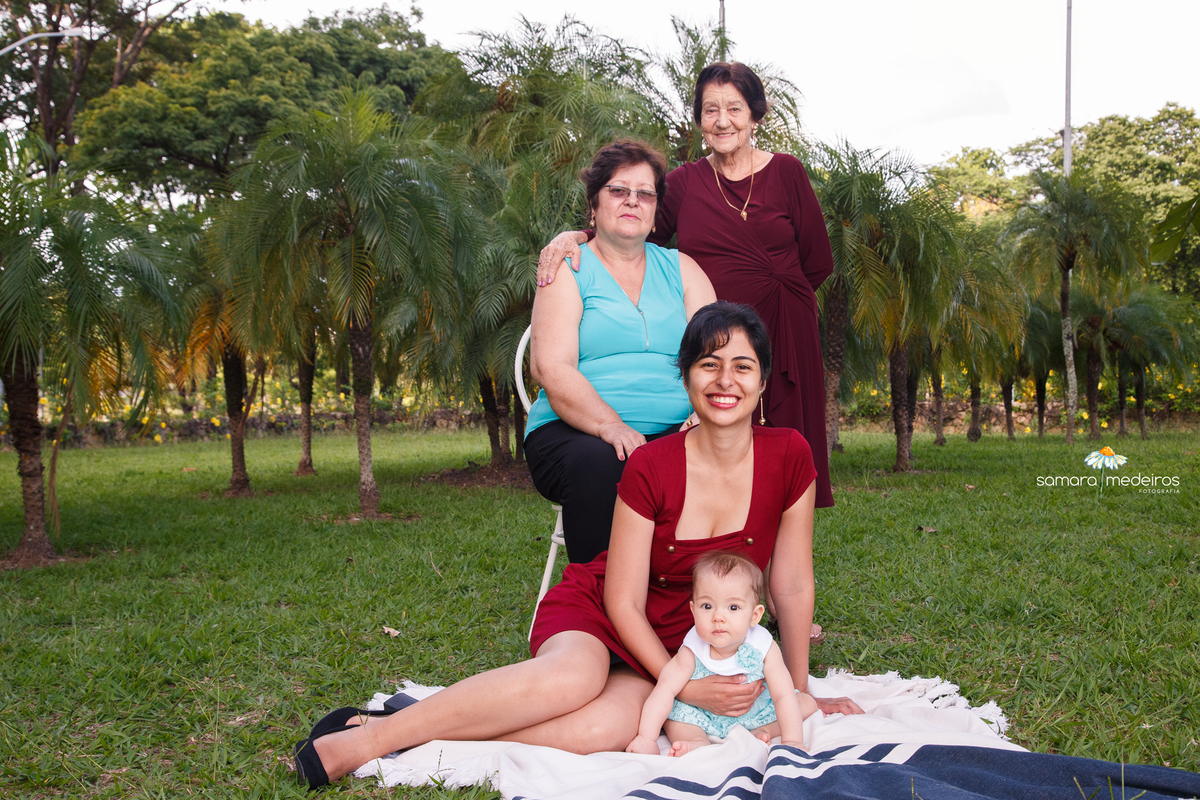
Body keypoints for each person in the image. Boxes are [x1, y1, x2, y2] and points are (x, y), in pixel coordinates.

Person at [292, 302, 861, 790]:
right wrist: (686, 686)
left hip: (684, 634)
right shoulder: (650, 464)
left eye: (743, 366)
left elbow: (790, 583)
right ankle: (372, 740)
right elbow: (621, 601)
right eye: (708, 365)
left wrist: (803, 688)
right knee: (572, 681)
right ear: (685, 378)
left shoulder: (791, 454)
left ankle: (421, 729)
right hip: (610, 611)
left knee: (604, 731)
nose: (725, 381)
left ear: (762, 384)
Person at [537, 61, 836, 514]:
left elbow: (818, 261)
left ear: (755, 115)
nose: (722, 120)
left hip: (786, 334)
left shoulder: (788, 172)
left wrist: (773, 295)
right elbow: (631, 233)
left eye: (734, 108)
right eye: (710, 109)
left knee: (782, 473)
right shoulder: (680, 183)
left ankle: (774, 583)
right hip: (709, 334)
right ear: (698, 119)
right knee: (731, 466)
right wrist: (573, 236)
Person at [524, 139, 717, 564]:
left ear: (655, 211)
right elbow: (550, 367)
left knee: (741, 449)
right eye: (618, 190)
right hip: (576, 432)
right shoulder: (568, 268)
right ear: (593, 205)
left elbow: (716, 357)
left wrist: (702, 415)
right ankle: (598, 607)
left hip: (678, 427)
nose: (633, 201)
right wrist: (610, 426)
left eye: (645, 193)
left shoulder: (683, 269)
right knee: (603, 463)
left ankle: (711, 602)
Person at [625, 552, 816, 757]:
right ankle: (695, 740)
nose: (718, 617)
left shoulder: (763, 646)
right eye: (707, 606)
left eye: (733, 607)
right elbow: (664, 690)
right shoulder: (692, 650)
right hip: (702, 716)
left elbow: (782, 695)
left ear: (754, 615)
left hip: (754, 712)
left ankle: (763, 731)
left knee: (805, 702)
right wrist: (646, 737)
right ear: (693, 610)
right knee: (672, 715)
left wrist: (792, 740)